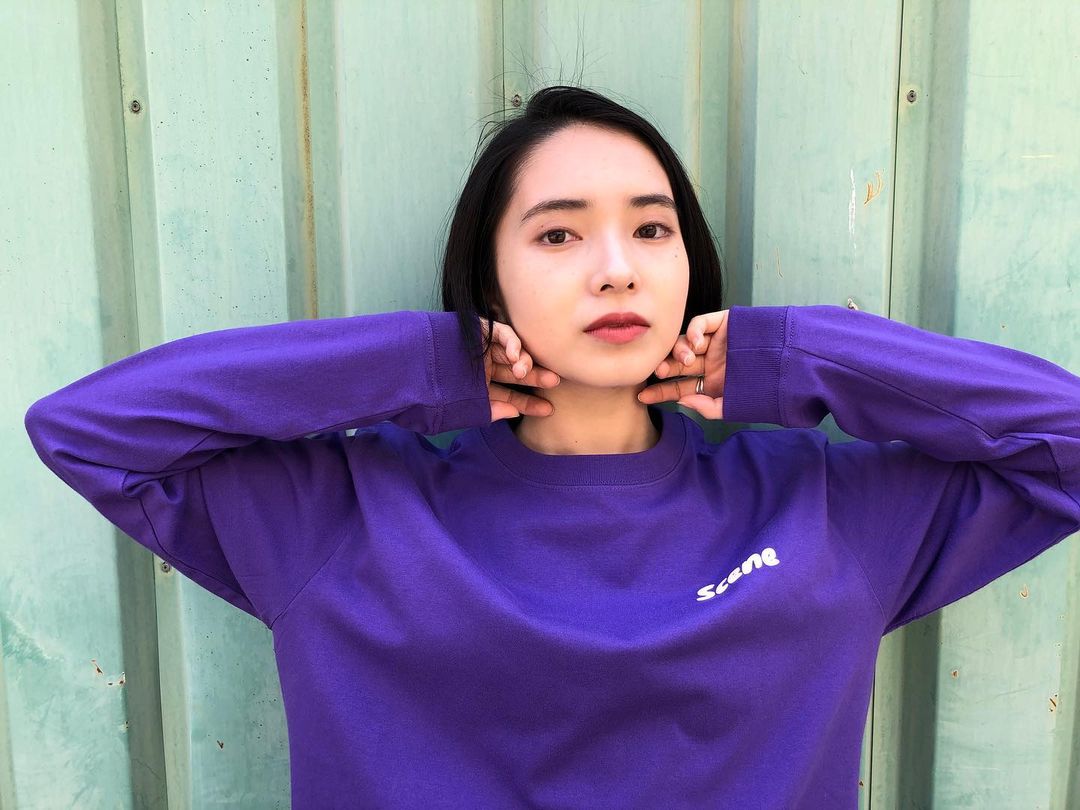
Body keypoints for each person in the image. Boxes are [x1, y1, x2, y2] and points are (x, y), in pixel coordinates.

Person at [23, 84, 1080, 809]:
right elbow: (93, 428)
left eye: (652, 229)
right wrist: (420, 365)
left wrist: (797, 357)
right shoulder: (346, 514)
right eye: (559, 233)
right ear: (489, 279)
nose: (617, 267)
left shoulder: (824, 512)